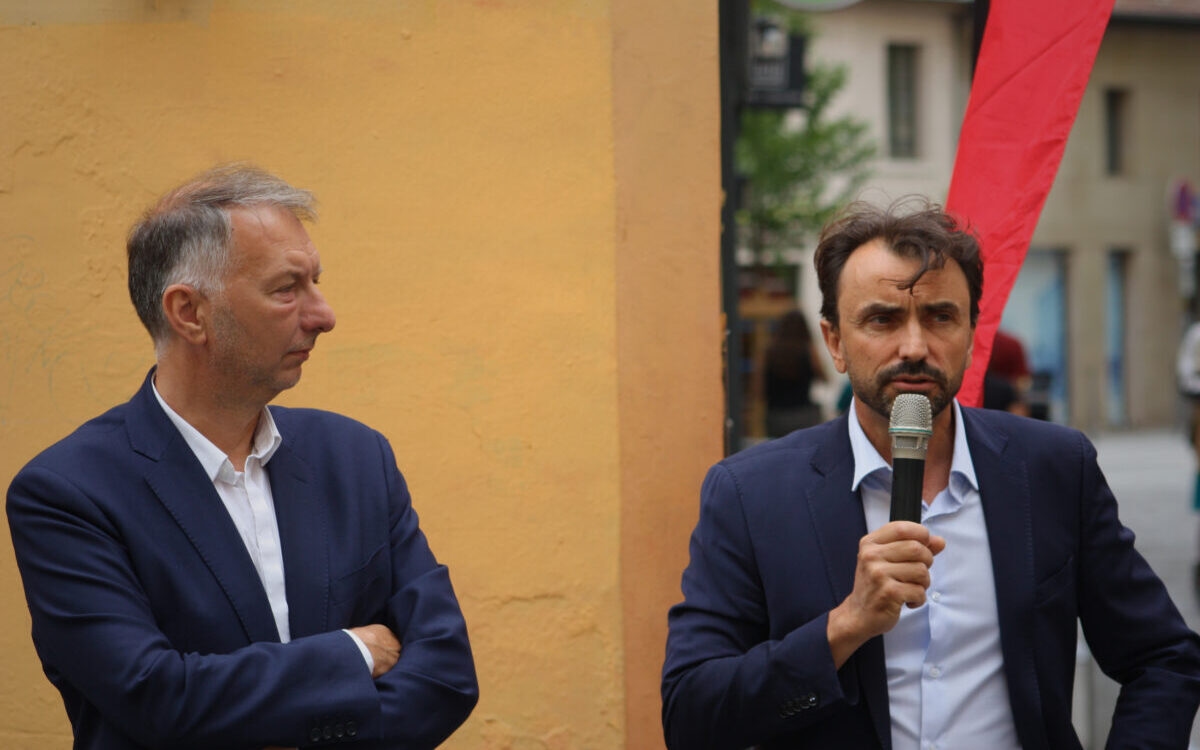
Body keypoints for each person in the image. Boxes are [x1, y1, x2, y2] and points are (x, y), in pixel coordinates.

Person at [662, 199, 1200, 749]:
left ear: (970, 333)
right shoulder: (751, 494)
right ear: (835, 343)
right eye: (882, 319)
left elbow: (1164, 658)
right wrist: (845, 625)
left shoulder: (1053, 468)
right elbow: (691, 714)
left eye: (940, 316)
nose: (915, 347)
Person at [6, 164, 478, 749]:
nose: (323, 315)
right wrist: (352, 652)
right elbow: (156, 696)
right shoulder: (67, 493)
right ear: (189, 313)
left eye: (315, 282)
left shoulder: (357, 458)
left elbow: (445, 675)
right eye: (287, 289)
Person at [763, 309, 828, 437]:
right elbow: (824, 378)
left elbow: (757, 389)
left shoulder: (769, 352)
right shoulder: (808, 350)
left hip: (776, 416)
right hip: (804, 414)